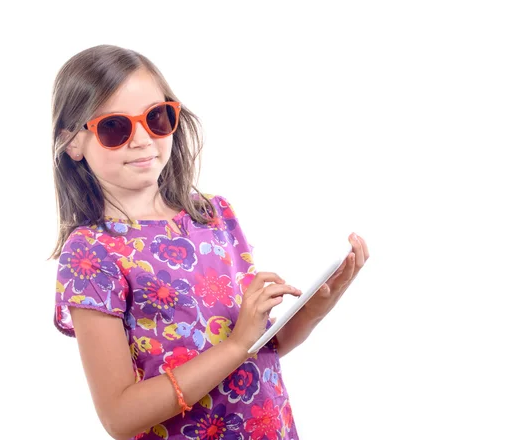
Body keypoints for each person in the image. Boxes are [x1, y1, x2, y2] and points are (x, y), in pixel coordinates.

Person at [51, 44, 369, 440]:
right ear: (74, 143)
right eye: (115, 128)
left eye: (156, 118)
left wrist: (318, 304)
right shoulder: (91, 252)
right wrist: (236, 346)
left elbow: (261, 347)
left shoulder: (213, 214)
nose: (142, 139)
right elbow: (119, 415)